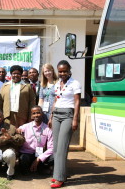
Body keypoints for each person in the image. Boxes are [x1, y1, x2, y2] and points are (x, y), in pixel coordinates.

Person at [48, 60, 81, 188]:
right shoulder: (57, 84)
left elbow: (77, 102)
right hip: (56, 115)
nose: (62, 73)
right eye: (60, 71)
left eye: (65, 71)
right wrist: (51, 117)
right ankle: (58, 175)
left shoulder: (75, 83)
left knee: (62, 147)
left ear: (69, 70)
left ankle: (60, 179)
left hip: (68, 115)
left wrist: (75, 119)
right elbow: (56, 101)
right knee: (56, 148)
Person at [18, 106, 54, 174]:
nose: (36, 115)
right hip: (27, 153)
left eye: (38, 113)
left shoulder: (47, 129)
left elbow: (51, 148)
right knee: (23, 159)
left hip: (40, 154)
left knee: (54, 157)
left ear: (42, 113)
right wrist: (18, 130)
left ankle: (40, 168)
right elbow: (18, 130)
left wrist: (38, 159)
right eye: (34, 113)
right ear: (31, 115)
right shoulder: (26, 127)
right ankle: (31, 169)